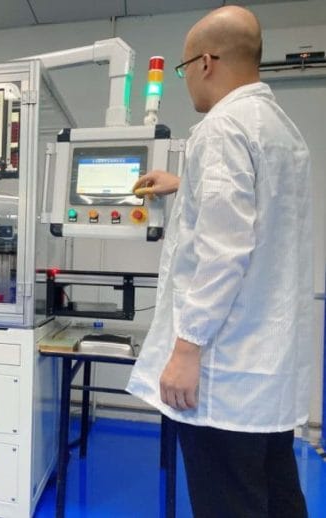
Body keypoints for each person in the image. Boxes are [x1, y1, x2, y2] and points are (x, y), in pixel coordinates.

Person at [126, 5, 312, 518]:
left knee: (229, 504)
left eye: (184, 69)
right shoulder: (279, 128)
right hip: (264, 373)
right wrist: (185, 183)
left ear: (205, 62)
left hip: (222, 371)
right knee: (278, 497)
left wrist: (186, 350)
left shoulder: (221, 128)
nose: (187, 80)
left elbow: (223, 251)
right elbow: (257, 209)